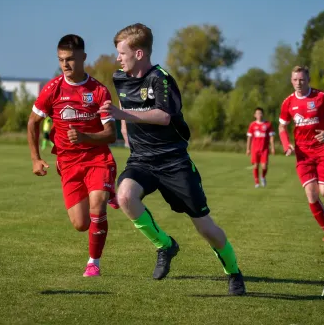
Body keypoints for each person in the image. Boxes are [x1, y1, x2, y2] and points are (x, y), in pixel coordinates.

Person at [99, 23, 246, 296]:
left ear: (139, 53)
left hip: (174, 162)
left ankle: (234, 272)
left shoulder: (161, 80)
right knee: (125, 196)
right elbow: (125, 107)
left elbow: (163, 116)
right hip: (142, 160)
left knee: (205, 227)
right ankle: (165, 245)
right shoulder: (120, 78)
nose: (118, 58)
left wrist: (124, 117)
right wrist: (123, 127)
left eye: (122, 52)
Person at [27, 34, 119, 277]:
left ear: (83, 58)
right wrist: (35, 158)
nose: (65, 65)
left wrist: (86, 138)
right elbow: (33, 122)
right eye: (61, 60)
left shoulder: (98, 91)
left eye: (70, 59)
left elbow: (111, 134)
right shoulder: (53, 89)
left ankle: (93, 263)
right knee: (81, 224)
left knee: (97, 206)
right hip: (68, 164)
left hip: (97, 158)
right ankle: (109, 190)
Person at [278, 65, 324, 241]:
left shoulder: (321, 97)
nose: (298, 83)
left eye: (301, 79)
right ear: (291, 81)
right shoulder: (288, 102)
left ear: (308, 80)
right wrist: (286, 145)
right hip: (303, 153)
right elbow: (282, 126)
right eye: (294, 80)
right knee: (311, 193)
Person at [246, 107, 276, 188]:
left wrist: (272, 147)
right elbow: (249, 138)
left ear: (263, 114)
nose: (259, 115)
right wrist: (248, 149)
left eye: (260, 113)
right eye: (257, 113)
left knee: (264, 166)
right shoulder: (252, 125)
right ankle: (256, 182)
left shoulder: (267, 124)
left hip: (264, 149)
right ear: (254, 115)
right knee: (256, 166)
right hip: (255, 149)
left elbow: (271, 137)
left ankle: (263, 177)